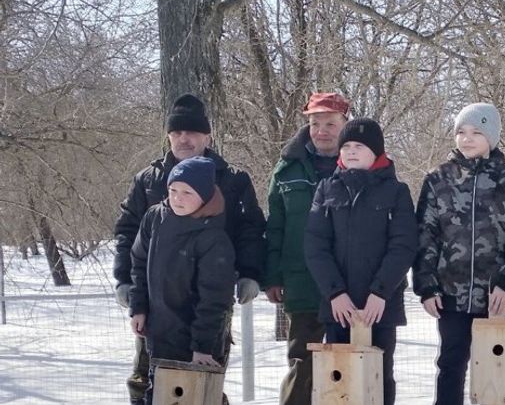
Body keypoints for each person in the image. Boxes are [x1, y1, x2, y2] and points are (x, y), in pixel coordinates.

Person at [113, 94, 267, 403]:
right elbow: (129, 234)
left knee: (201, 378)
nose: (184, 139)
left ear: (208, 136)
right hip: (157, 305)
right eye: (177, 132)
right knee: (147, 381)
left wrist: (250, 273)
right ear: (168, 136)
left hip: (209, 301)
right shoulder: (148, 180)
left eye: (192, 132)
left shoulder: (233, 179)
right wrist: (126, 283)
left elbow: (251, 229)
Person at [412, 103, 505, 405]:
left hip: (495, 295)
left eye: (476, 132)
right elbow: (424, 236)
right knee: (450, 364)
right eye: (460, 132)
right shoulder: (438, 179)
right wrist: (426, 286)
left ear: (492, 137)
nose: (466, 139)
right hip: (449, 296)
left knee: (496, 368)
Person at [304, 118, 418, 405]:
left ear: (376, 152)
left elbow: (403, 246)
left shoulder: (397, 192)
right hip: (338, 308)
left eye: (359, 146)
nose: (351, 151)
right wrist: (335, 293)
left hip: (379, 307)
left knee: (379, 376)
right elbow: (315, 245)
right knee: (339, 378)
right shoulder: (326, 189)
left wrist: (381, 292)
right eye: (347, 146)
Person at [263, 92, 350, 405]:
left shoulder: (359, 163)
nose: (322, 130)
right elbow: (275, 226)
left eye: (330, 123)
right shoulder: (287, 169)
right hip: (302, 284)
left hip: (349, 286)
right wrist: (272, 275)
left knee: (346, 368)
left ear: (345, 124)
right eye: (315, 123)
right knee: (302, 364)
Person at [129, 156, 236, 405]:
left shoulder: (213, 238)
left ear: (204, 195)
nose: (178, 198)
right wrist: (139, 307)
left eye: (187, 192)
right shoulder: (155, 218)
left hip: (197, 339)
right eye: (173, 190)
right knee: (160, 395)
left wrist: (202, 346)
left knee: (198, 396)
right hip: (159, 331)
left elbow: (214, 299)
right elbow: (138, 263)